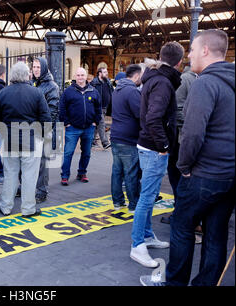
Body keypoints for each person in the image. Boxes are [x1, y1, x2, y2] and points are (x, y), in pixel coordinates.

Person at [141, 29, 235, 286]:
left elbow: (193, 133)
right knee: (216, 235)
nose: (189, 55)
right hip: (229, 176)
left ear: (205, 50)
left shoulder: (205, 83)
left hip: (203, 174)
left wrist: (183, 165)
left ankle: (175, 283)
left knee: (182, 228)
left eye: (192, 49)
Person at [130, 41, 184, 268]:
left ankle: (148, 236)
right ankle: (137, 245)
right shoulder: (163, 83)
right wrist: (163, 145)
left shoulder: (155, 78)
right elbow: (153, 118)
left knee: (149, 195)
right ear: (180, 62)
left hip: (148, 145)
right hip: (154, 147)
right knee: (147, 197)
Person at [0, 61, 51, 217]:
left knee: (10, 174)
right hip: (30, 138)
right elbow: (46, 118)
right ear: (27, 75)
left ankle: (5, 206)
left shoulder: (3, 93)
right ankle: (28, 208)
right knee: (29, 176)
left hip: (9, 138)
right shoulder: (36, 93)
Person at [161, 64, 198, 224]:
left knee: (178, 176)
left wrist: (191, 122)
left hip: (181, 138)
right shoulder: (195, 79)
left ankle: (181, 214)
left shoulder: (186, 79)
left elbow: (177, 110)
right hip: (186, 137)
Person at [59, 67, 101, 186]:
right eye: (78, 75)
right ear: (75, 76)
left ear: (86, 76)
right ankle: (65, 176)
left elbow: (98, 108)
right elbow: (62, 108)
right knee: (68, 153)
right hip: (72, 128)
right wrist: (66, 123)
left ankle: (82, 173)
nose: (80, 77)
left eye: (82, 75)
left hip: (89, 127)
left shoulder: (93, 91)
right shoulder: (68, 91)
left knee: (86, 153)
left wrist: (95, 121)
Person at [110, 64, 143, 212]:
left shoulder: (118, 89)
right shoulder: (132, 91)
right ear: (136, 76)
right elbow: (140, 114)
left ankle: (117, 202)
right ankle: (133, 204)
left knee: (117, 171)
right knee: (130, 173)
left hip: (116, 136)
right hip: (128, 139)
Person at [32, 57, 60, 203]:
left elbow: (53, 111)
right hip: (30, 129)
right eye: (34, 67)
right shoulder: (32, 83)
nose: (35, 69)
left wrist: (45, 129)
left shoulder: (51, 86)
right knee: (30, 160)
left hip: (43, 129)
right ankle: (28, 186)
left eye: (38, 67)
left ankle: (42, 191)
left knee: (42, 162)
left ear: (43, 68)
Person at [91, 67, 113, 149]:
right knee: (102, 124)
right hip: (97, 107)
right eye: (104, 72)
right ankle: (105, 142)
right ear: (100, 73)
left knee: (97, 124)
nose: (107, 73)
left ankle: (92, 141)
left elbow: (112, 93)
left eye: (107, 71)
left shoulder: (108, 82)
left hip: (105, 107)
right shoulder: (94, 83)